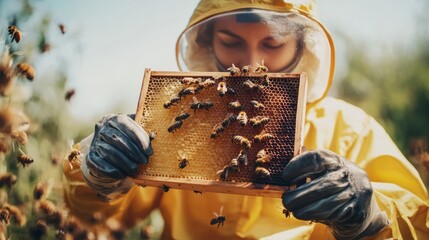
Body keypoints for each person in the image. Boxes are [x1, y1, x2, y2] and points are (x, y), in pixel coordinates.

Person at [64, 0, 429, 239]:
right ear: (208, 42)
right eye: (231, 41)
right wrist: (95, 172)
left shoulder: (350, 129)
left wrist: (371, 216)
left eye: (273, 44)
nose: (253, 62)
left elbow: (418, 223)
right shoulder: (176, 121)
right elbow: (99, 216)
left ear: (301, 45)